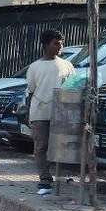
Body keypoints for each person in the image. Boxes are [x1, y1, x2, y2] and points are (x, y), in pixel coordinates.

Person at [26, 30, 76, 195]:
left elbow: (74, 87)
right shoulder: (34, 67)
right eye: (56, 42)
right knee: (41, 147)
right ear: (46, 45)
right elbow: (31, 92)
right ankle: (45, 179)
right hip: (40, 112)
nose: (60, 45)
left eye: (61, 42)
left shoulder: (67, 65)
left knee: (63, 146)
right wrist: (29, 115)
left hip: (62, 112)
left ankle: (63, 177)